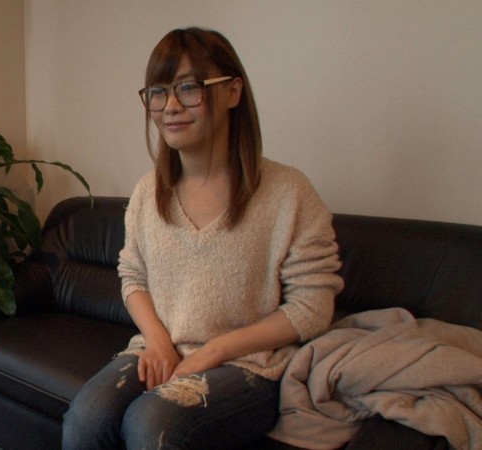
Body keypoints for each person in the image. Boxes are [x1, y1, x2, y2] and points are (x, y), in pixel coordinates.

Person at [62, 27, 344, 450]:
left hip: (250, 366)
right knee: (86, 420)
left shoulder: (288, 192)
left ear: (232, 92)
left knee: (151, 424)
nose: (170, 106)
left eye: (189, 87)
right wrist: (158, 341)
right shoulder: (148, 192)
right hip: (160, 349)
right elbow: (133, 277)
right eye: (158, 92)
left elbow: (313, 306)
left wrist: (213, 351)